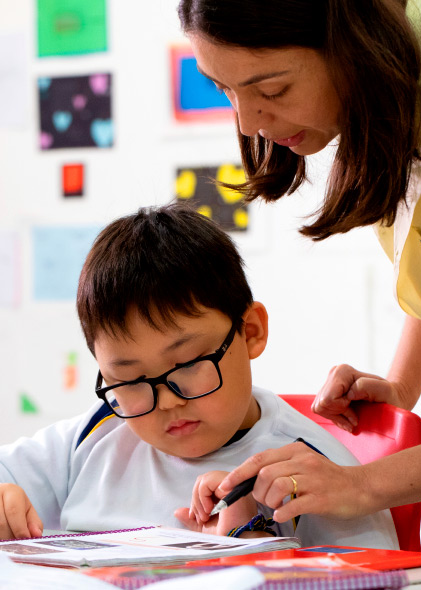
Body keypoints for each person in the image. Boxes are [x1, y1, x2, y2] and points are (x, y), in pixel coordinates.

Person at [177, 0, 421, 572]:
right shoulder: (399, 83)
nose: (247, 121)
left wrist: (361, 485)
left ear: (353, 39)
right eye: (223, 89)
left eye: (274, 89)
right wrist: (402, 383)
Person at [0, 203, 397, 549]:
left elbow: (381, 575)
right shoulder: (96, 434)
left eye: (188, 364)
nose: (169, 401)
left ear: (250, 332)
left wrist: (254, 545)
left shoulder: (311, 471)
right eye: (132, 381)